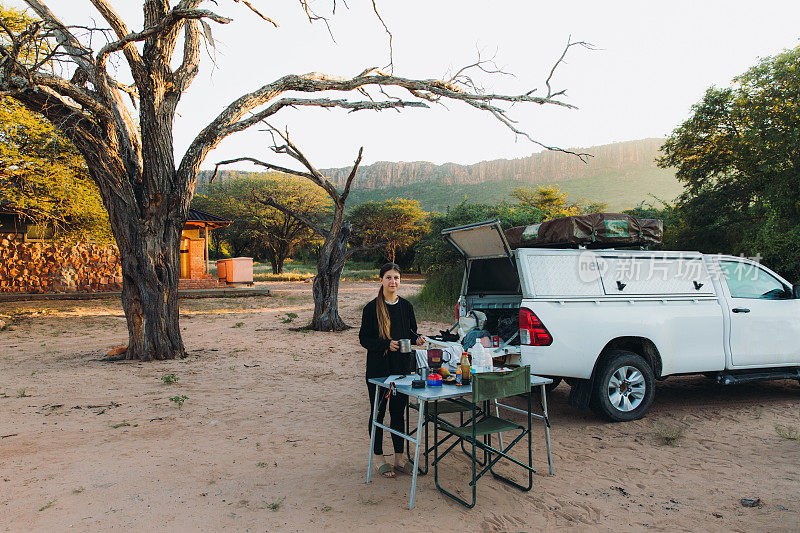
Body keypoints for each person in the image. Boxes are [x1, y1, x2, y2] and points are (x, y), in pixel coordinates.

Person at [360, 262, 425, 478]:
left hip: (402, 369)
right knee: (378, 411)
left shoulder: (406, 306)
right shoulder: (371, 308)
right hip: (379, 369)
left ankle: (399, 456)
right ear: (381, 280)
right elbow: (364, 339)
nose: (393, 281)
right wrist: (385, 344)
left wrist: (418, 338)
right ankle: (378, 457)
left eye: (396, 277)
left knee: (398, 412)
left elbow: (411, 330)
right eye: (388, 277)